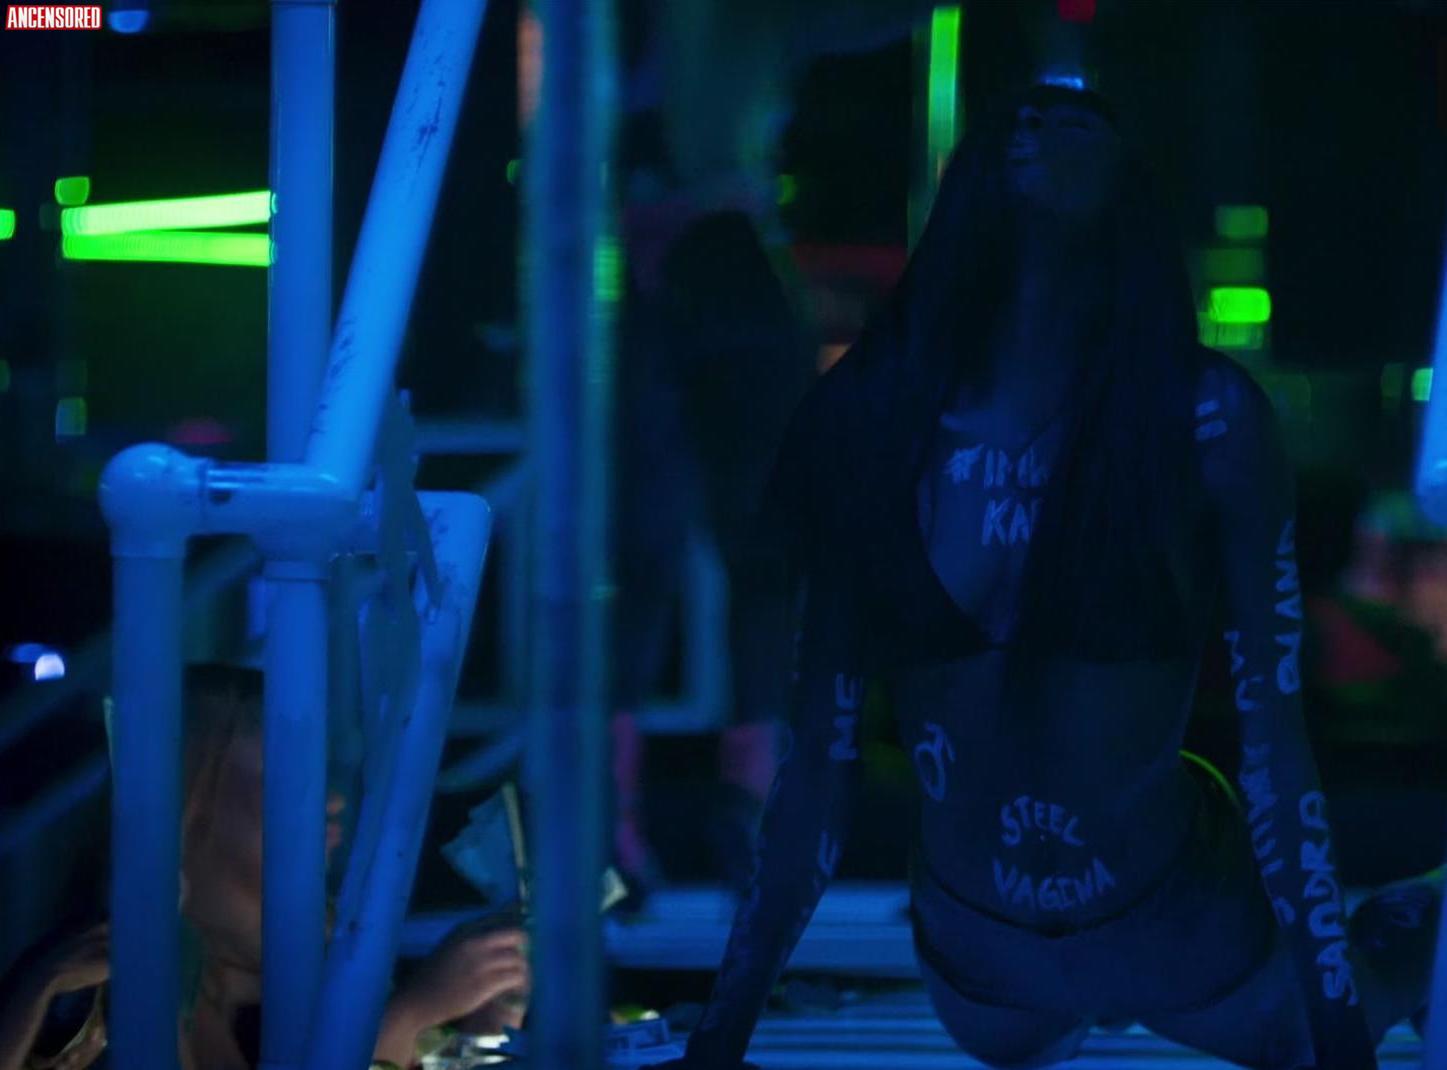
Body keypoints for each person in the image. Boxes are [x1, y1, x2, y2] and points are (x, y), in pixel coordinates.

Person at [661, 84, 1437, 1070]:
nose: (1034, 127)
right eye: (1016, 120)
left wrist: (1338, 1036)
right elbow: (816, 765)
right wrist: (717, 1041)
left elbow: (1276, 752)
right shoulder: (877, 415)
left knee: (1389, 932)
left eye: (1073, 120)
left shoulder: (1200, 417)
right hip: (1030, 953)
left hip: (1107, 931)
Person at [611, 0, 940, 891]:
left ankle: (737, 809)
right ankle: (644, 815)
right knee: (641, 553)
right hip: (651, 269)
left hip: (708, 259)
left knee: (739, 550)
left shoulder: (735, 25)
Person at [0, 664, 529, 1070]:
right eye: (292, 778)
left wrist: (488, 1018)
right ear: (188, 803)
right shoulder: (84, 990)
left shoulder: (325, 959)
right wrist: (410, 1016)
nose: (334, 801)